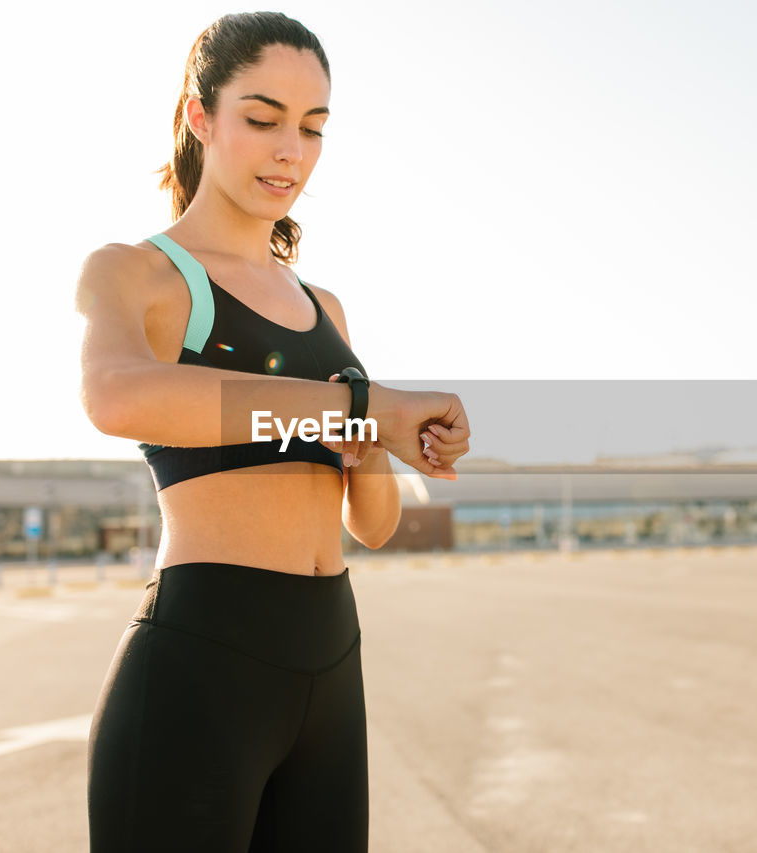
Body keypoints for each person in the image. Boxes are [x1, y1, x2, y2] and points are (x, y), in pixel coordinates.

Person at [77, 11, 470, 852]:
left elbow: (375, 521)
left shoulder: (324, 308)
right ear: (200, 116)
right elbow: (113, 395)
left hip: (332, 661)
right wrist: (360, 408)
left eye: (313, 127)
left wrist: (377, 445)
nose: (290, 149)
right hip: (202, 663)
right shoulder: (140, 273)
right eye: (262, 119)